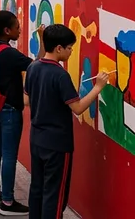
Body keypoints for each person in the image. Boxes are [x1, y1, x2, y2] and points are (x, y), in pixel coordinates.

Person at [24, 25, 108, 219]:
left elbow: (26, 100)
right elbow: (77, 108)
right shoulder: (60, 75)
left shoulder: (34, 67)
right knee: (55, 193)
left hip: (36, 139)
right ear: (59, 48)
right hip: (57, 144)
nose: (71, 51)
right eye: (70, 47)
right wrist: (98, 88)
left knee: (37, 187)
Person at [0, 9, 44, 216]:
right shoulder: (10, 53)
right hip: (9, 110)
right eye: (17, 27)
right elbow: (38, 67)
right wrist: (42, 41)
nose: (20, 29)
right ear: (7, 30)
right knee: (9, 155)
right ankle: (7, 202)